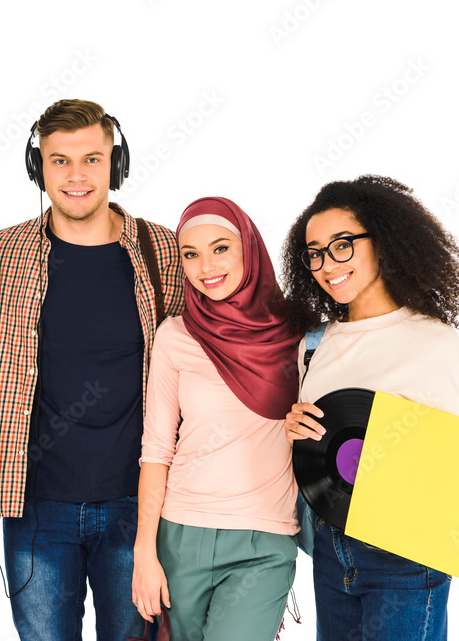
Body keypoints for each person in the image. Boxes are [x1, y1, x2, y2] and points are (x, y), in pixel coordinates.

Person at [0, 98, 185, 640]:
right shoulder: (2, 252)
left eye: (92, 159)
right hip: (35, 505)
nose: (76, 176)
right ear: (38, 167)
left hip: (136, 504)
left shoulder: (162, 248)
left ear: (115, 163)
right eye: (59, 160)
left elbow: (200, 353)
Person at [282, 175, 459, 640]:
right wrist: (294, 426)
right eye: (314, 252)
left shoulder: (432, 340)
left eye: (342, 245)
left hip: (406, 556)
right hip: (331, 551)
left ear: (383, 242)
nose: (327, 264)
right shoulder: (313, 345)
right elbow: (321, 456)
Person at [132, 197, 303, 640]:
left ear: (249, 247)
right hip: (180, 534)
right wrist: (144, 553)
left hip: (264, 539)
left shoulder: (300, 334)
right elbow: (156, 450)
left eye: (221, 247)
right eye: (190, 254)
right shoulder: (174, 336)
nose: (206, 265)